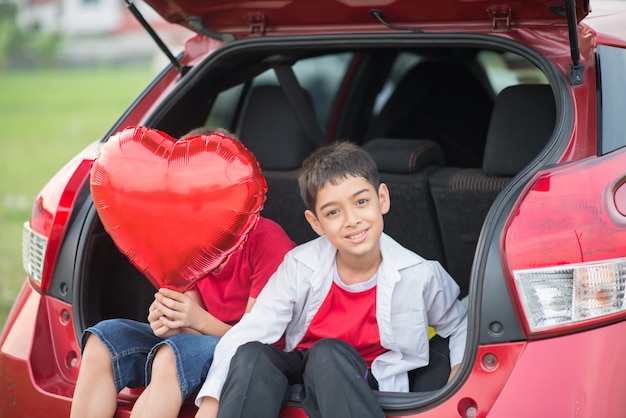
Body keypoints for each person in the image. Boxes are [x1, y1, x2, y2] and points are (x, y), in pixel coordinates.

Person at [194, 141, 468, 418]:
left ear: (382, 199)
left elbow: (460, 324)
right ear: (316, 223)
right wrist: (210, 402)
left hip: (368, 376)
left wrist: (458, 373)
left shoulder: (419, 274)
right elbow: (251, 329)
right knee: (252, 353)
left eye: (361, 202)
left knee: (328, 353)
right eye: (333, 212)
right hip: (303, 368)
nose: (351, 220)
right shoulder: (300, 265)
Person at [70, 127, 296, 418]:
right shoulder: (181, 237)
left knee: (170, 355)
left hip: (244, 349)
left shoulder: (269, 242)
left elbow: (258, 340)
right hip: (195, 340)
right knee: (104, 338)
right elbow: (187, 328)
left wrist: (194, 320)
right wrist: (170, 321)